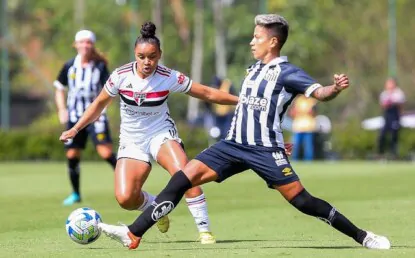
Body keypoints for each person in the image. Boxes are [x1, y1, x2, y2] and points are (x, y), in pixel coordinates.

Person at [94, 14, 391, 250]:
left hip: (264, 151)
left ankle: (363, 237)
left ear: (273, 42)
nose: (252, 41)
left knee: (303, 202)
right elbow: (253, 108)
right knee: (181, 180)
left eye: (257, 37)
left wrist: (334, 88)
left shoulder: (287, 72)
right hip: (232, 145)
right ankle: (132, 234)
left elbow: (319, 93)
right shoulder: (253, 69)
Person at [59, 22, 242, 244]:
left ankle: (205, 231)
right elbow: (98, 104)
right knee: (126, 198)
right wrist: (75, 128)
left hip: (161, 134)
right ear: (135, 55)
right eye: (142, 56)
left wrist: (241, 101)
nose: (147, 62)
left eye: (152, 57)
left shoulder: (168, 76)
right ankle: (156, 209)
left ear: (159, 55)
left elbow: (206, 93)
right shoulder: (120, 76)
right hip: (131, 140)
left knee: (186, 174)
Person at [54, 30, 117, 206]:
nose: (85, 45)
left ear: (92, 45)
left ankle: (126, 184)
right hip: (74, 118)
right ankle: (75, 194)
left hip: (97, 118)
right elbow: (59, 87)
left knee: (105, 153)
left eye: (88, 42)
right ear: (76, 45)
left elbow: (110, 91)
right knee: (72, 154)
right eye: (82, 42)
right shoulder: (69, 66)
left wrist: (101, 111)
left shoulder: (100, 67)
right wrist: (61, 109)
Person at [378, 78, 405, 159]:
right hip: (387, 116)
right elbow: (382, 105)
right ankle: (380, 153)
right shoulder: (384, 94)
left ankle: (394, 154)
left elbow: (401, 105)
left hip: (395, 116)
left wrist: (393, 102)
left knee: (394, 135)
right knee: (382, 135)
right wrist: (386, 103)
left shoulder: (399, 93)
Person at [289, 95, 318, 161]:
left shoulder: (312, 100)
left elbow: (314, 112)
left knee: (308, 147)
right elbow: (292, 112)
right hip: (298, 127)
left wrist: (306, 111)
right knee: (295, 147)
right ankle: (294, 161)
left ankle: (308, 162)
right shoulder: (298, 100)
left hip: (309, 127)